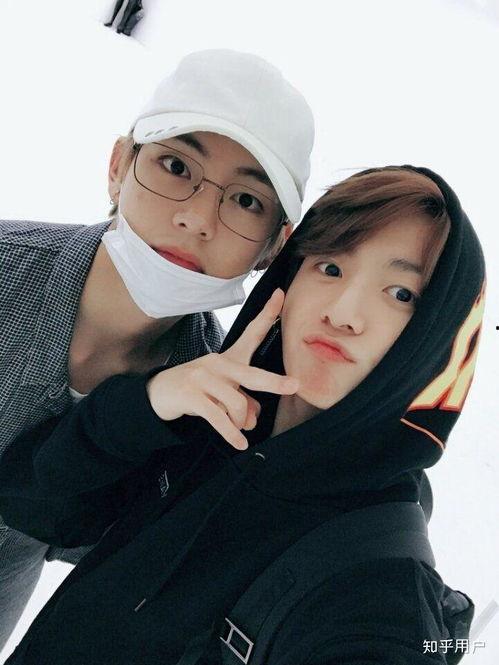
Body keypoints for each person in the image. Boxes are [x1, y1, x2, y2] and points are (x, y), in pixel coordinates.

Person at [0, 165, 486, 664]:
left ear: (438, 333)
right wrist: (146, 404)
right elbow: (30, 503)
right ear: (288, 279)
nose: (343, 313)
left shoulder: (377, 584)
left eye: (401, 294)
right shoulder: (207, 422)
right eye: (330, 268)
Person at [0, 48, 314, 649]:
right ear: (120, 165)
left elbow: (99, 545)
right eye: (175, 166)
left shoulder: (210, 404)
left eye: (246, 201)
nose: (197, 218)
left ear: (275, 245)